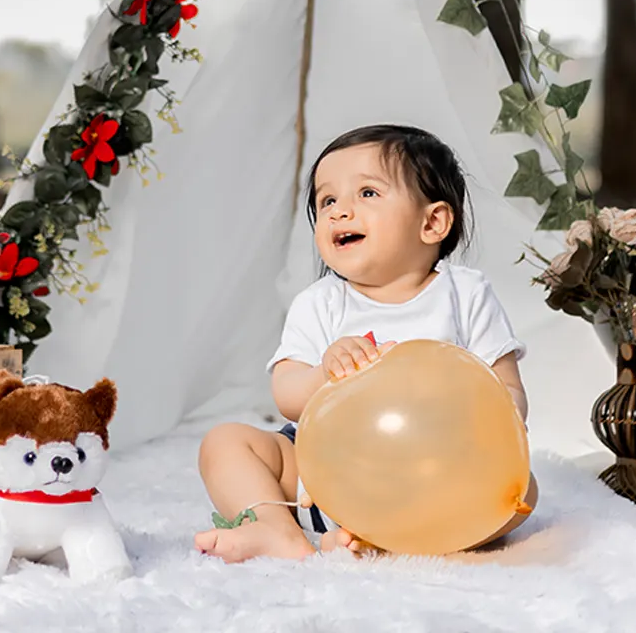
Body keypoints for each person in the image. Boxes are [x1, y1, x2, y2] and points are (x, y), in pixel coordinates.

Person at [193, 123, 540, 561]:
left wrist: (469, 421)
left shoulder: (465, 294)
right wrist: (324, 373)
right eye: (327, 200)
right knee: (225, 442)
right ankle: (276, 528)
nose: (339, 212)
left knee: (522, 491)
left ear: (432, 222)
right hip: (321, 472)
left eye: (367, 193)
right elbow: (287, 396)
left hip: (429, 472)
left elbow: (509, 394)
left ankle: (385, 532)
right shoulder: (319, 302)